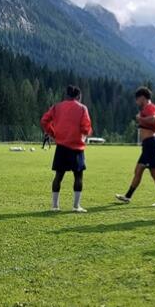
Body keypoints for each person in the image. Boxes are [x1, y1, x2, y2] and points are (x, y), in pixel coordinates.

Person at [41, 85, 93, 213]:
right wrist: (86, 133)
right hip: (77, 147)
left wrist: (53, 133)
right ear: (79, 96)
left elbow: (44, 121)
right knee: (78, 176)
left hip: (61, 146)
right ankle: (76, 206)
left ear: (67, 95)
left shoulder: (56, 107)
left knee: (58, 176)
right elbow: (86, 127)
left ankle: (55, 206)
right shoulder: (82, 108)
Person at [115, 87, 155, 207]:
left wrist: (140, 119)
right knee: (146, 171)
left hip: (150, 143)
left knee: (145, 171)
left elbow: (154, 119)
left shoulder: (149, 107)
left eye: (137, 99)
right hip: (151, 143)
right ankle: (130, 196)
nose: (136, 102)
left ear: (142, 98)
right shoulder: (154, 107)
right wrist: (154, 125)